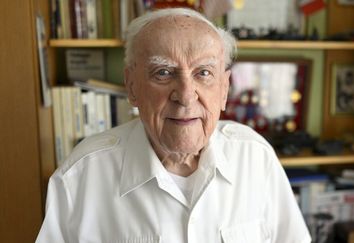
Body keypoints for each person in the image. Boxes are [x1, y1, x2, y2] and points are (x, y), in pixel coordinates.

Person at [36, 8, 311, 243]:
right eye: (163, 73)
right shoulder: (81, 176)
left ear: (224, 88)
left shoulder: (255, 157)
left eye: (203, 73)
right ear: (132, 86)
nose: (186, 95)